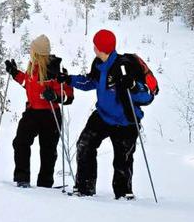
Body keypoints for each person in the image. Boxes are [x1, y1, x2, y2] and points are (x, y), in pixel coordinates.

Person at [57, 29, 154, 199]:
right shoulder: (98, 64)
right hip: (103, 116)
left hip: (126, 121)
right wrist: (68, 79)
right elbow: (90, 82)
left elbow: (146, 95)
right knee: (84, 145)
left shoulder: (124, 67)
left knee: (122, 161)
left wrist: (132, 86)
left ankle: (123, 195)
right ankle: (84, 188)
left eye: (95, 45)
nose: (93, 47)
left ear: (101, 47)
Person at [4, 34, 74, 188]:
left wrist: (55, 96)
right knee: (20, 142)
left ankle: (45, 184)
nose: (30, 52)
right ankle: (22, 178)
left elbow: (68, 96)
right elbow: (28, 84)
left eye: (32, 49)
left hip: (50, 115)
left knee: (48, 151)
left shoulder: (56, 70)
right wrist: (14, 73)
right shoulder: (33, 67)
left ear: (38, 53)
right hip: (32, 112)